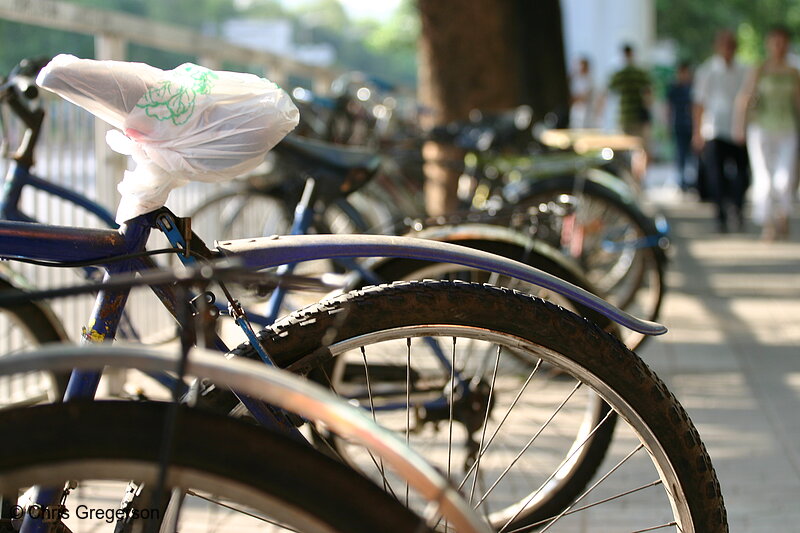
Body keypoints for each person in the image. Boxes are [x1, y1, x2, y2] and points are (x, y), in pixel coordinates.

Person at [735, 25, 800, 241]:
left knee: (785, 177)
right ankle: (768, 223)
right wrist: (740, 125)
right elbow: (745, 98)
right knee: (764, 178)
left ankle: (783, 214)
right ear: (769, 44)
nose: (779, 46)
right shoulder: (759, 69)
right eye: (775, 41)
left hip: (787, 128)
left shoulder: (793, 72)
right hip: (761, 128)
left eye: (782, 42)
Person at [693, 30, 750, 233]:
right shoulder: (707, 70)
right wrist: (697, 132)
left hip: (740, 130)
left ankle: (738, 207)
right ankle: (721, 215)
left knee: (743, 174)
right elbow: (699, 102)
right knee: (716, 176)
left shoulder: (745, 69)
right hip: (715, 129)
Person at [608, 43, 652, 180]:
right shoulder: (640, 73)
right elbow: (649, 95)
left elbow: (610, 89)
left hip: (625, 117)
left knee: (624, 149)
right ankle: (639, 176)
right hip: (639, 117)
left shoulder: (620, 74)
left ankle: (629, 177)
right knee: (641, 149)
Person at [666, 62, 694, 191]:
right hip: (679, 125)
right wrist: (668, 124)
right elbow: (668, 108)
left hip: (692, 126)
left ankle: (692, 181)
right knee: (681, 153)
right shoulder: (674, 88)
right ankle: (682, 181)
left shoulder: (693, 87)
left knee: (692, 155)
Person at [569, 56, 596, 128]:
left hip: (586, 112)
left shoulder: (590, 80)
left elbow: (585, 96)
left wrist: (577, 98)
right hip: (577, 111)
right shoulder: (576, 80)